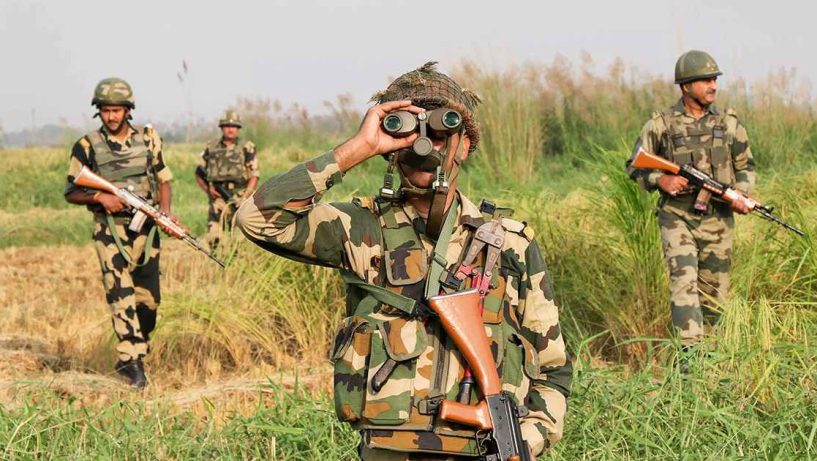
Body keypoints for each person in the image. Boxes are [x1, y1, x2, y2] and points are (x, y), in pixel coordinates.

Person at [236, 62, 572, 459]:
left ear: (465, 144)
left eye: (440, 130)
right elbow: (258, 220)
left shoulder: (509, 245)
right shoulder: (360, 229)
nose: (422, 144)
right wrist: (357, 149)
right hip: (389, 449)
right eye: (404, 129)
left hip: (485, 448)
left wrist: (526, 442)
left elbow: (553, 369)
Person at [627, 50, 755, 350]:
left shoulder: (730, 124)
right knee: (684, 285)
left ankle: (712, 362)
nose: (713, 85)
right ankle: (690, 361)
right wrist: (662, 180)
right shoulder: (661, 124)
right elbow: (635, 165)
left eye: (714, 79)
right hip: (677, 216)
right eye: (705, 80)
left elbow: (746, 167)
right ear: (685, 86)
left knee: (714, 294)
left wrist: (743, 195)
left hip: (719, 219)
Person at [64, 77, 179, 389]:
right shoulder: (87, 146)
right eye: (105, 110)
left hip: (145, 229)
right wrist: (100, 197)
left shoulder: (149, 139)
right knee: (121, 295)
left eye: (117, 110)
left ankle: (138, 345)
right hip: (109, 231)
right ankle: (131, 361)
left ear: (128, 110)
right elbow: (72, 191)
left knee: (149, 301)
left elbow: (164, 178)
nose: (111, 116)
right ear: (98, 112)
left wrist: (164, 213)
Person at [195, 110, 259, 250]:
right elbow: (199, 173)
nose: (231, 129)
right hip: (218, 200)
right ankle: (218, 265)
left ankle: (237, 266)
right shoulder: (211, 147)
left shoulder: (246, 147)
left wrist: (246, 195)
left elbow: (254, 174)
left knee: (240, 241)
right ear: (222, 128)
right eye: (227, 126)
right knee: (214, 239)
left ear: (238, 129)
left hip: (239, 197)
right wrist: (208, 190)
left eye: (234, 126)